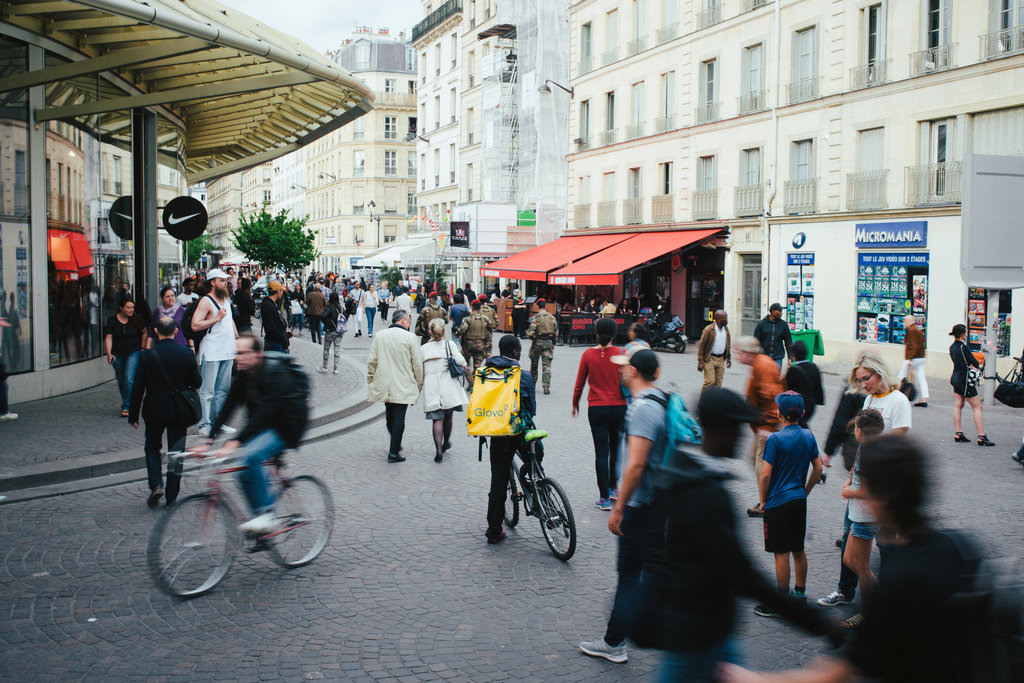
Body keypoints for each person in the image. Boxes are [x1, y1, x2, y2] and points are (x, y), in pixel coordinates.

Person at [721, 435, 984, 683]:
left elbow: (836, 675)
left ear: (879, 496)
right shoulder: (958, 546)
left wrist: (754, 679)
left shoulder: (897, 583)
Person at [636, 388, 835, 681]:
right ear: (721, 429)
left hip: (703, 627)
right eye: (737, 427)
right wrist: (814, 621)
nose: (742, 435)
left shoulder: (682, 471)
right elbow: (742, 572)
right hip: (697, 631)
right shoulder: (706, 492)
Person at [579, 349, 669, 664]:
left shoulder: (643, 408)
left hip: (642, 505)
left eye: (624, 367)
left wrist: (619, 507)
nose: (620, 371)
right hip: (653, 501)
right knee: (642, 571)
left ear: (634, 372)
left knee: (630, 573)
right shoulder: (656, 400)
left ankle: (615, 641)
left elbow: (636, 466)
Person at [206, 334, 309, 533]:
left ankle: (266, 516)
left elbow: (265, 414)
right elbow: (228, 407)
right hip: (268, 423)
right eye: (236, 353)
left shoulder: (276, 374)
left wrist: (235, 442)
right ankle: (260, 523)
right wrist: (208, 439)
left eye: (243, 353)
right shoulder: (244, 375)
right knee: (244, 471)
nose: (238, 358)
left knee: (251, 455)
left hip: (289, 426)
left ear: (258, 355)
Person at [753, 391, 823, 617]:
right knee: (798, 548)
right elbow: (818, 468)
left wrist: (763, 499)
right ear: (802, 413)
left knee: (780, 551)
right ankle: (799, 595)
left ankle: (781, 602)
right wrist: (806, 490)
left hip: (777, 501)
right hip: (798, 500)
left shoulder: (775, 439)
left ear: (778, 413)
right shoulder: (808, 436)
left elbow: (765, 475)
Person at [821, 408, 886, 630]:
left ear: (859, 430)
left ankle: (873, 610)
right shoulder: (865, 447)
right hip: (857, 512)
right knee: (850, 561)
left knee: (862, 566)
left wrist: (851, 492)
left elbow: (872, 490)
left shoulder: (873, 453)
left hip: (866, 516)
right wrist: (848, 482)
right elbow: (856, 470)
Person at [128, 316, 202, 508]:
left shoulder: (146, 356)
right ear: (176, 332)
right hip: (179, 410)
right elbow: (197, 382)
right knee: (176, 452)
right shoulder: (186, 353)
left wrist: (133, 415)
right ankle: (171, 497)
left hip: (154, 408)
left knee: (152, 447)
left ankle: (155, 484)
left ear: (156, 333)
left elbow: (137, 388)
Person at [483, 334, 536, 545]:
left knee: (498, 482)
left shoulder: (486, 373)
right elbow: (532, 409)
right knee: (535, 457)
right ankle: (535, 487)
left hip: (498, 432)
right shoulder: (522, 375)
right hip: (520, 432)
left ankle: (494, 531)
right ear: (514, 352)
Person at [572, 317, 627, 511]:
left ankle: (603, 498)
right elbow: (629, 381)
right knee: (616, 448)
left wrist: (575, 403)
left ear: (597, 333)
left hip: (597, 408)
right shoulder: (622, 353)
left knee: (601, 452)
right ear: (614, 334)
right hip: (619, 407)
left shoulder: (588, 354)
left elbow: (579, 383)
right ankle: (614, 489)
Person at [732, 336, 784, 518]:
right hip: (761, 424)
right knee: (756, 460)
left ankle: (766, 502)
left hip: (766, 425)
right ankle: (769, 498)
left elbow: (773, 398)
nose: (737, 356)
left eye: (738, 352)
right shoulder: (758, 365)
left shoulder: (764, 366)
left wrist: (767, 425)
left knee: (762, 464)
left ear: (749, 352)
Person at [367, 310, 423, 462]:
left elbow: (373, 360)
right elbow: (417, 364)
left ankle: (395, 444)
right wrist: (419, 383)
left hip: (385, 383)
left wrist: (370, 378)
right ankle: (393, 452)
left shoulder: (380, 335)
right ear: (403, 320)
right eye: (409, 321)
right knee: (398, 418)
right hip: (403, 384)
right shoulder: (410, 337)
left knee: (390, 416)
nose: (410, 324)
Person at [191, 268, 238, 437]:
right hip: (211, 351)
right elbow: (195, 325)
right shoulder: (206, 301)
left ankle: (219, 422)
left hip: (228, 349)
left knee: (223, 389)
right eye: (222, 280)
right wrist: (216, 318)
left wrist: (236, 338)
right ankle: (205, 423)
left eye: (226, 280)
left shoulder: (226, 298)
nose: (226, 283)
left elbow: (230, 319)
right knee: (208, 390)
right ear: (212, 282)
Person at [421, 318, 468, 463]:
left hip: (432, 385)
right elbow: (461, 361)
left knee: (437, 418)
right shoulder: (449, 345)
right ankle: (446, 442)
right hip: (448, 384)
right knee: (448, 415)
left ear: (430, 331)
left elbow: (419, 369)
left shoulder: (423, 348)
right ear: (443, 331)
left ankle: (438, 451)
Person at [949, 324, 994, 447]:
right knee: (978, 407)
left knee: (958, 405)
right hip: (965, 381)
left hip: (955, 378)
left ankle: (958, 433)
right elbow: (974, 362)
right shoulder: (963, 347)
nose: (967, 334)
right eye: (966, 332)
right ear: (962, 334)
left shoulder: (952, 347)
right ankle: (981, 436)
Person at [105, 296, 146, 418]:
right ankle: (128, 401)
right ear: (121, 308)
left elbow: (144, 332)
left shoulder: (137, 319)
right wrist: (109, 353)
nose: (131, 310)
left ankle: (127, 406)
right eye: (128, 307)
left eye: (133, 307)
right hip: (117, 353)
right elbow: (108, 337)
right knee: (121, 380)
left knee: (128, 379)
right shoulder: (112, 320)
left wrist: (143, 348)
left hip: (133, 352)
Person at [852, 353, 911, 436]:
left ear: (880, 373)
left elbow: (897, 440)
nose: (863, 385)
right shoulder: (869, 399)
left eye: (866, 378)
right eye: (860, 381)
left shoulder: (899, 400)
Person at [784, 340, 824, 428]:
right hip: (811, 406)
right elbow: (818, 387)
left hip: (798, 406)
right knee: (802, 424)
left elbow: (786, 388)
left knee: (798, 426)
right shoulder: (814, 367)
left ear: (794, 355)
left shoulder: (792, 371)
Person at [456, 300, 493, 389]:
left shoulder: (468, 319)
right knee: (477, 365)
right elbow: (490, 330)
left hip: (467, 346)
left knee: (465, 363)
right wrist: (488, 347)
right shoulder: (485, 319)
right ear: (480, 308)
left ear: (472, 307)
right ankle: (476, 381)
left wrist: (457, 334)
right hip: (480, 345)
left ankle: (470, 380)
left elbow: (462, 330)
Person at [525, 298, 558, 395]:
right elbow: (556, 332)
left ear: (537, 306)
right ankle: (546, 387)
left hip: (537, 343)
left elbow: (530, 333)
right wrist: (553, 342)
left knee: (534, 365)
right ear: (546, 306)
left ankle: (533, 386)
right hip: (548, 343)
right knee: (547, 367)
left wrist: (534, 337)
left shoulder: (536, 318)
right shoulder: (552, 317)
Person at [696, 310, 731, 394]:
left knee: (718, 384)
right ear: (717, 319)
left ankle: (713, 404)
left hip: (721, 359)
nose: (727, 320)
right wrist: (700, 361)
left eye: (726, 318)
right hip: (709, 358)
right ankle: (703, 402)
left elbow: (727, 344)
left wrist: (728, 358)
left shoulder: (725, 330)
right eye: (724, 318)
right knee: (710, 382)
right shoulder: (709, 330)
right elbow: (702, 345)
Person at [898, 315, 929, 407]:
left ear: (909, 322)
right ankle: (924, 399)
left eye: (905, 321)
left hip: (913, 358)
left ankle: (896, 395)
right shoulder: (918, 331)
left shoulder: (912, 331)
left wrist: (910, 359)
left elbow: (914, 346)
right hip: (921, 358)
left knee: (901, 376)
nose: (904, 323)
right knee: (922, 378)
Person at [753, 303, 793, 368]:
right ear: (772, 311)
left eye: (781, 311)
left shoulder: (783, 325)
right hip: (764, 356)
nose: (781, 313)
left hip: (777, 357)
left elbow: (788, 342)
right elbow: (755, 340)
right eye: (779, 311)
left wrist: (790, 358)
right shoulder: (762, 324)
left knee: (775, 376)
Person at [318, 292, 345, 374]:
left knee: (326, 348)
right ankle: (336, 368)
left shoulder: (329, 307)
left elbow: (323, 316)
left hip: (330, 331)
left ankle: (325, 366)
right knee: (337, 349)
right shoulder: (340, 307)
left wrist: (327, 322)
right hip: (339, 331)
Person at [260, 281, 290, 353]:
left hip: (278, 342)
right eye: (281, 290)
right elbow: (270, 327)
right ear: (277, 291)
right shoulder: (268, 305)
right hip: (274, 343)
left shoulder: (273, 303)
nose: (282, 292)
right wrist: (281, 336)